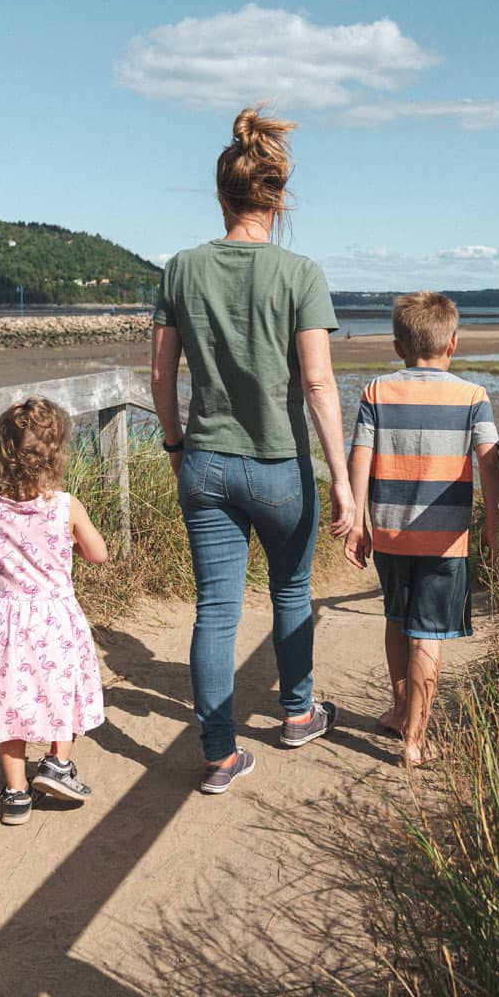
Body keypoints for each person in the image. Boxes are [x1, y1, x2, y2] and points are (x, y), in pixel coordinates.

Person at [151, 106, 355, 796]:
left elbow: (159, 376)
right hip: (278, 467)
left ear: (222, 194)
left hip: (205, 460)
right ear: (277, 196)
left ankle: (217, 755)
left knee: (215, 609)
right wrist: (345, 487)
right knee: (291, 590)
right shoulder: (300, 273)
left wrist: (177, 446)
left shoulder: (180, 268)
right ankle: (297, 713)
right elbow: (319, 383)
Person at [344, 291, 499, 767]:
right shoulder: (473, 397)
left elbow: (359, 458)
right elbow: (490, 464)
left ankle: (397, 709)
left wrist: (357, 520)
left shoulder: (376, 391)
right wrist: (492, 521)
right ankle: (415, 740)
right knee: (427, 632)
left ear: (398, 346)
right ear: (452, 344)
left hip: (389, 533)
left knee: (397, 617)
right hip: (445, 538)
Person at [0, 397, 111, 826]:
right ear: (56, 452)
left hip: (3, 616)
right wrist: (71, 541)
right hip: (54, 615)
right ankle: (58, 763)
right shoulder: (65, 505)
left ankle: (17, 793)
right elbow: (99, 553)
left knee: (7, 701)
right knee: (61, 687)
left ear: (2, 451)